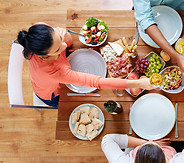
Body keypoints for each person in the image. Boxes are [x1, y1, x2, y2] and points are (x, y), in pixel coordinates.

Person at [17, 23, 155, 107]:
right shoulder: (55, 71)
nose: (64, 46)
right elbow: (97, 82)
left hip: (41, 79)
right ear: (45, 56)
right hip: (51, 94)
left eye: (59, 39)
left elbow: (69, 42)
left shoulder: (39, 34)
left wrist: (64, 36)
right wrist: (138, 84)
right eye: (58, 49)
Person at [101, 81, 184, 163]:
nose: (154, 142)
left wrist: (146, 142)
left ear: (134, 162)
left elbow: (107, 140)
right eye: (159, 148)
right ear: (166, 162)